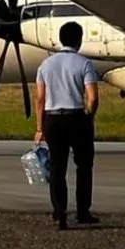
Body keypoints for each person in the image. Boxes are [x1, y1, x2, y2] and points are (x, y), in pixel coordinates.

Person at [33, 21, 99, 229]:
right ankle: (82, 211)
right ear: (79, 40)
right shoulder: (84, 64)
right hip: (77, 117)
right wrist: (89, 115)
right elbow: (93, 97)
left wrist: (39, 128)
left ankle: (59, 212)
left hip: (53, 119)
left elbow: (40, 99)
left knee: (57, 167)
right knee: (84, 166)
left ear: (61, 39)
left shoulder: (46, 65)